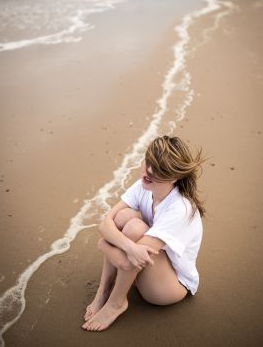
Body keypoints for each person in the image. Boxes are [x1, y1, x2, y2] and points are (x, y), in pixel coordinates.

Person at [82, 135, 205, 332]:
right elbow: (105, 224)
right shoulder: (144, 185)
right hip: (142, 264)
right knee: (124, 217)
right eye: (149, 162)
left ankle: (116, 303)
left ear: (174, 177)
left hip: (167, 288)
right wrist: (128, 247)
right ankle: (103, 290)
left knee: (134, 228)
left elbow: (128, 261)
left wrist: (105, 245)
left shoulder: (180, 208)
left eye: (159, 169)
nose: (149, 170)